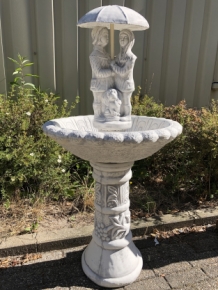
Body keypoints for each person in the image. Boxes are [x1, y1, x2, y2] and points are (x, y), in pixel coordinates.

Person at [90, 26, 114, 121]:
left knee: (107, 104)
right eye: (105, 35)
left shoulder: (106, 54)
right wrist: (112, 72)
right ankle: (99, 118)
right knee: (98, 103)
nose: (107, 37)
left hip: (108, 84)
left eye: (108, 35)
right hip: (99, 85)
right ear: (98, 37)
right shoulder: (94, 55)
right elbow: (98, 72)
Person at [111, 29, 136, 121]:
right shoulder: (118, 56)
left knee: (126, 101)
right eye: (120, 38)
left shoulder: (131, 57)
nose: (122, 40)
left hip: (126, 84)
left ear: (130, 40)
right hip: (118, 83)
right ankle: (119, 114)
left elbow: (123, 71)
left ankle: (127, 115)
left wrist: (113, 64)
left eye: (125, 38)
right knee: (119, 101)